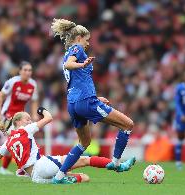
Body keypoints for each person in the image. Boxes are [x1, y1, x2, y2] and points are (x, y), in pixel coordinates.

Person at [51, 19, 135, 184]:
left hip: (73, 104)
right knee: (128, 124)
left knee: (84, 142)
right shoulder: (77, 48)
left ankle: (58, 177)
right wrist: (82, 64)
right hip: (85, 102)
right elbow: (69, 65)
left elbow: (75, 78)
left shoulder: (67, 53)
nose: (88, 43)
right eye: (87, 39)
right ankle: (116, 164)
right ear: (79, 37)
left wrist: (96, 98)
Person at [0, 108, 136, 184]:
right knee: (84, 159)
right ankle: (119, 166)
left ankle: (61, 179)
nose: (30, 121)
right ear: (18, 122)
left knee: (85, 178)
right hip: (42, 166)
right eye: (27, 119)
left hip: (36, 178)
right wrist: (42, 110)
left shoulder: (8, 142)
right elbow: (49, 118)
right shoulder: (25, 130)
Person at [0, 61, 39, 175]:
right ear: (20, 71)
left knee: (13, 142)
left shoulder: (33, 84)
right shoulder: (12, 82)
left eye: (30, 70)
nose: (27, 72)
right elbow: (0, 96)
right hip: (7, 116)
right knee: (16, 141)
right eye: (25, 70)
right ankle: (19, 169)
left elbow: (34, 100)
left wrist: (34, 114)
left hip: (20, 118)